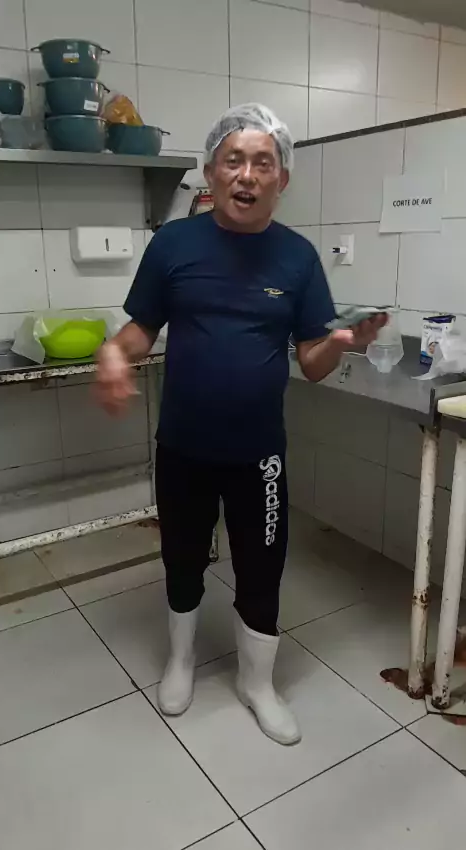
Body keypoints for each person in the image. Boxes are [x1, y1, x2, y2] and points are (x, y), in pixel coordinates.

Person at [96, 103, 386, 746]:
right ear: (211, 171)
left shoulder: (297, 258)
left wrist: (342, 341)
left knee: (262, 568)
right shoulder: (174, 245)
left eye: (262, 163)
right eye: (234, 160)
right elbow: (140, 329)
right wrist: (114, 353)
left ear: (282, 179)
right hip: (183, 446)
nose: (247, 174)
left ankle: (258, 684)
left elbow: (312, 363)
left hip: (260, 454)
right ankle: (179, 661)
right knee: (182, 557)